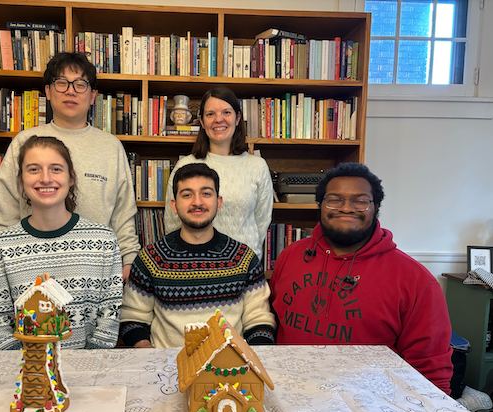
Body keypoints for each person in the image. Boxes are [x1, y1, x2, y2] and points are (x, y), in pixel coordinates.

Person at [270, 162, 453, 394]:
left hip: (372, 407)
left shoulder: (416, 281)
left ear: (375, 207)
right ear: (321, 205)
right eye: (334, 199)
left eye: (360, 200)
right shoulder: (290, 257)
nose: (346, 208)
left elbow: (431, 369)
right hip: (289, 393)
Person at [0, 52, 139, 280]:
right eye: (62, 83)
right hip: (33, 269)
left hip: (94, 270)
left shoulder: (110, 147)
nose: (70, 91)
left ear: (92, 96)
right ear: (48, 92)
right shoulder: (24, 142)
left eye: (80, 84)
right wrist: (3, 264)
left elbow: (123, 213)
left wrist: (129, 259)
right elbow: (5, 213)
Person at [0, 135, 123, 350]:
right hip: (27, 374)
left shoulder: (103, 241)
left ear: (71, 178)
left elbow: (109, 317)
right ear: (21, 180)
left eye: (56, 169)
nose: (45, 178)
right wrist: (34, 368)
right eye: (33, 169)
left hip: (89, 373)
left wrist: (86, 369)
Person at [121, 163, 275, 348]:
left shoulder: (244, 258)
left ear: (219, 202)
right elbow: (133, 319)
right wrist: (148, 356)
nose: (197, 202)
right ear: (174, 205)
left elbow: (260, 321)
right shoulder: (150, 259)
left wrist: (250, 361)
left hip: (228, 369)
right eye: (187, 195)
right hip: (168, 369)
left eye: (206, 193)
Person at [164, 87, 273, 261]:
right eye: (210, 114)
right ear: (201, 121)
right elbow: (173, 221)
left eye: (226, 112)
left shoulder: (257, 166)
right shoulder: (185, 165)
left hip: (243, 266)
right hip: (194, 265)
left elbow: (262, 221)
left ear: (237, 118)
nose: (218, 119)